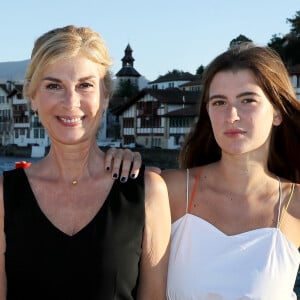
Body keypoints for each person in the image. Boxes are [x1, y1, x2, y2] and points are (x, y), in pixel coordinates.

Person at [109, 43, 300, 299]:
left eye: (247, 100)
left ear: (277, 111)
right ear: (207, 112)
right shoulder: (168, 191)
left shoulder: (295, 204)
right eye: (219, 102)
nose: (231, 115)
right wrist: (112, 161)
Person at [0, 25, 171, 300]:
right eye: (54, 85)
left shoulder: (148, 192)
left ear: (105, 97)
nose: (71, 102)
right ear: (32, 97)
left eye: (85, 85)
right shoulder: (3, 196)